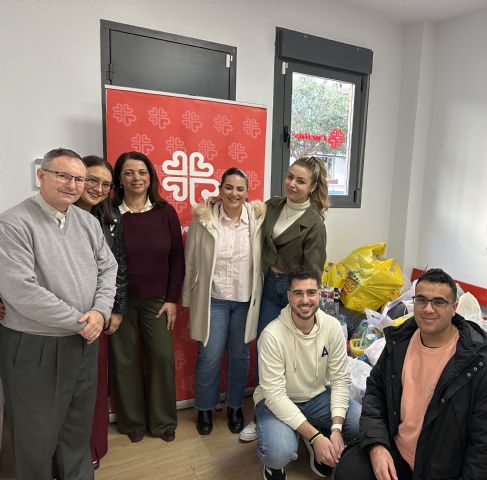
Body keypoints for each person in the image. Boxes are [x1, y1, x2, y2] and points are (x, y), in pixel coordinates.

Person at [0, 148, 117, 479]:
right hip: (35, 344)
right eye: (63, 176)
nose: (72, 184)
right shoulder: (13, 223)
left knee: (76, 431)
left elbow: (109, 267)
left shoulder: (87, 222)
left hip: (82, 342)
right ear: (42, 175)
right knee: (34, 438)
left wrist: (100, 311)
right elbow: (21, 290)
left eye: (78, 178)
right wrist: (79, 321)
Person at [335, 268, 487, 480]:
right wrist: (377, 445)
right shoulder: (399, 343)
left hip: (443, 470)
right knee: (350, 470)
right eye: (422, 300)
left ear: (454, 308)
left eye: (439, 302)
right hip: (397, 453)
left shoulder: (480, 365)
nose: (428, 309)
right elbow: (375, 393)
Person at [241, 156, 329, 442]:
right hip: (268, 286)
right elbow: (242, 214)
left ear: (312, 187)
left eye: (300, 181)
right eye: (290, 176)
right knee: (265, 352)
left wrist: (301, 301)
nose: (292, 183)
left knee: (296, 354)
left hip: (294, 292)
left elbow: (313, 272)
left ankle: (297, 418)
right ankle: (263, 414)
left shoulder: (314, 224)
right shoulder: (273, 205)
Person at [254, 265, 360, 480]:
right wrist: (315, 438)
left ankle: (317, 435)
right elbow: (274, 395)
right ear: (288, 296)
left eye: (311, 292)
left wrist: (337, 429)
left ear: (320, 294)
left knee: (360, 423)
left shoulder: (332, 327)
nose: (305, 300)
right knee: (278, 452)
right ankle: (280, 461)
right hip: (276, 401)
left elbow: (340, 380)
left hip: (316, 396)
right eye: (298, 293)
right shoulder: (271, 335)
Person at [181, 168, 266, 436]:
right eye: (229, 187)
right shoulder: (204, 220)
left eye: (240, 189)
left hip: (245, 301)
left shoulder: (257, 221)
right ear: (220, 189)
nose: (234, 193)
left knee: (241, 357)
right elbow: (191, 259)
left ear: (247, 192)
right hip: (213, 300)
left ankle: (234, 407)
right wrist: (187, 297)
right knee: (209, 356)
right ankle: (205, 408)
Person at [109, 151, 185, 443]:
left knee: (162, 359)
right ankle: (131, 421)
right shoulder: (110, 212)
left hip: (157, 301)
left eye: (141, 172)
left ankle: (164, 421)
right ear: (119, 178)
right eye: (128, 172)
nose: (136, 178)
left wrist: (171, 299)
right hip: (120, 301)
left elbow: (177, 258)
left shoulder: (165, 211)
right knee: (125, 361)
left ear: (150, 176)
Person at [74, 155, 128, 468]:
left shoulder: (110, 219)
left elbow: (117, 266)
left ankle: (90, 451)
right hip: (62, 318)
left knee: (94, 387)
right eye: (91, 180)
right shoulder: (55, 216)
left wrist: (115, 309)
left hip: (98, 313)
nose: (97, 188)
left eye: (105, 184)